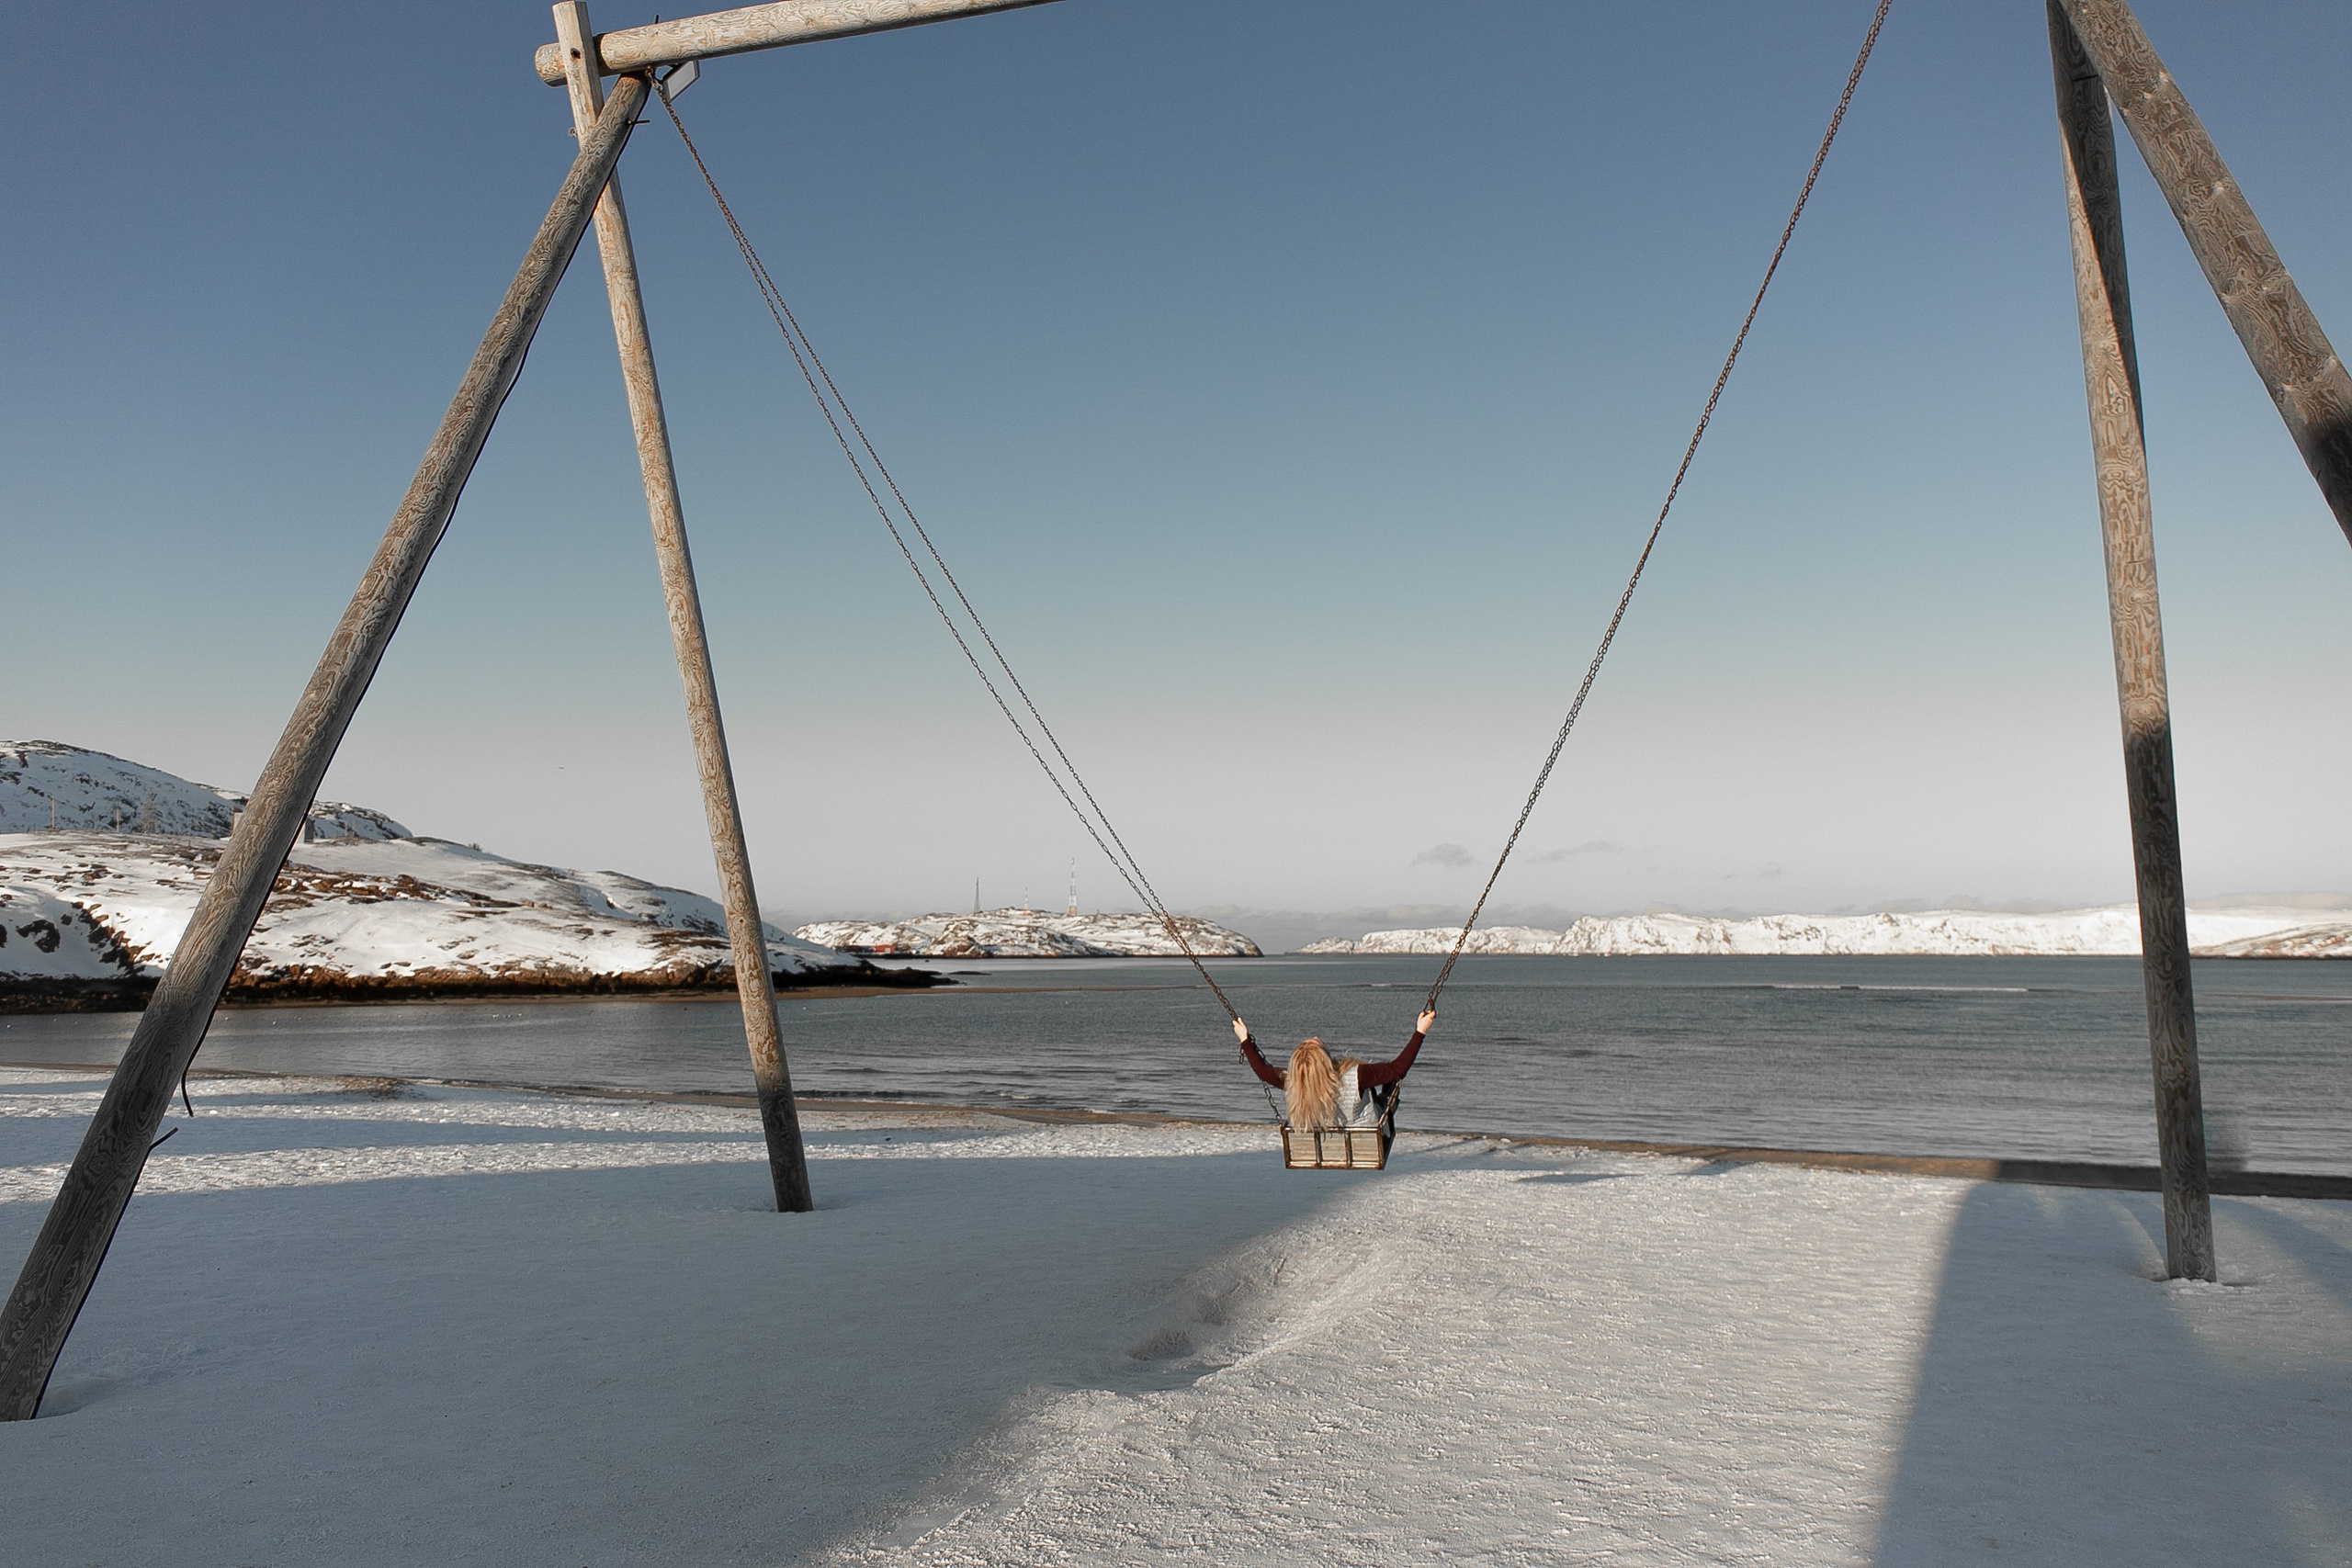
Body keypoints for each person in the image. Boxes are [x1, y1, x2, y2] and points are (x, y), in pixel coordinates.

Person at [1233, 1009, 1435, 1130]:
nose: (1314, 1037)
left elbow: (1263, 1071)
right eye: (1313, 1042)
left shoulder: (1295, 1081)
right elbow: (1398, 1068)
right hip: (1366, 1131)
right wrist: (1420, 1031)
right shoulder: (1357, 1075)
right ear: (1323, 1059)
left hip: (1331, 1133)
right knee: (1389, 1085)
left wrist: (1244, 1040)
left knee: (1381, 1081)